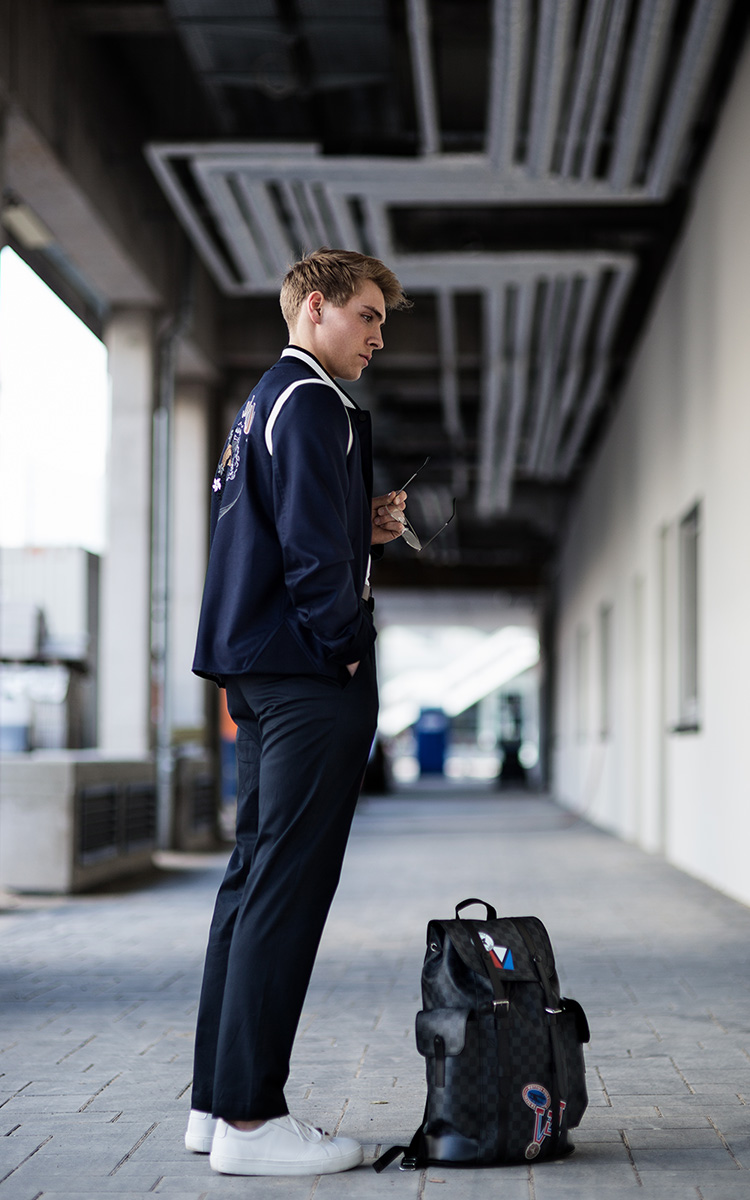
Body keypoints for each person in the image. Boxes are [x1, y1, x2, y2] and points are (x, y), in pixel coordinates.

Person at [184, 248, 411, 1177]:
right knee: (287, 887)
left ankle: (214, 1106)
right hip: (308, 672)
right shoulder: (316, 401)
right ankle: (250, 1124)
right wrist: (347, 640)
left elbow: (288, 530)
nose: (377, 338)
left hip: (259, 670)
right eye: (366, 316)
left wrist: (359, 527)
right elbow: (314, 567)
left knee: (251, 882)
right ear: (314, 307)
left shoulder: (260, 405)